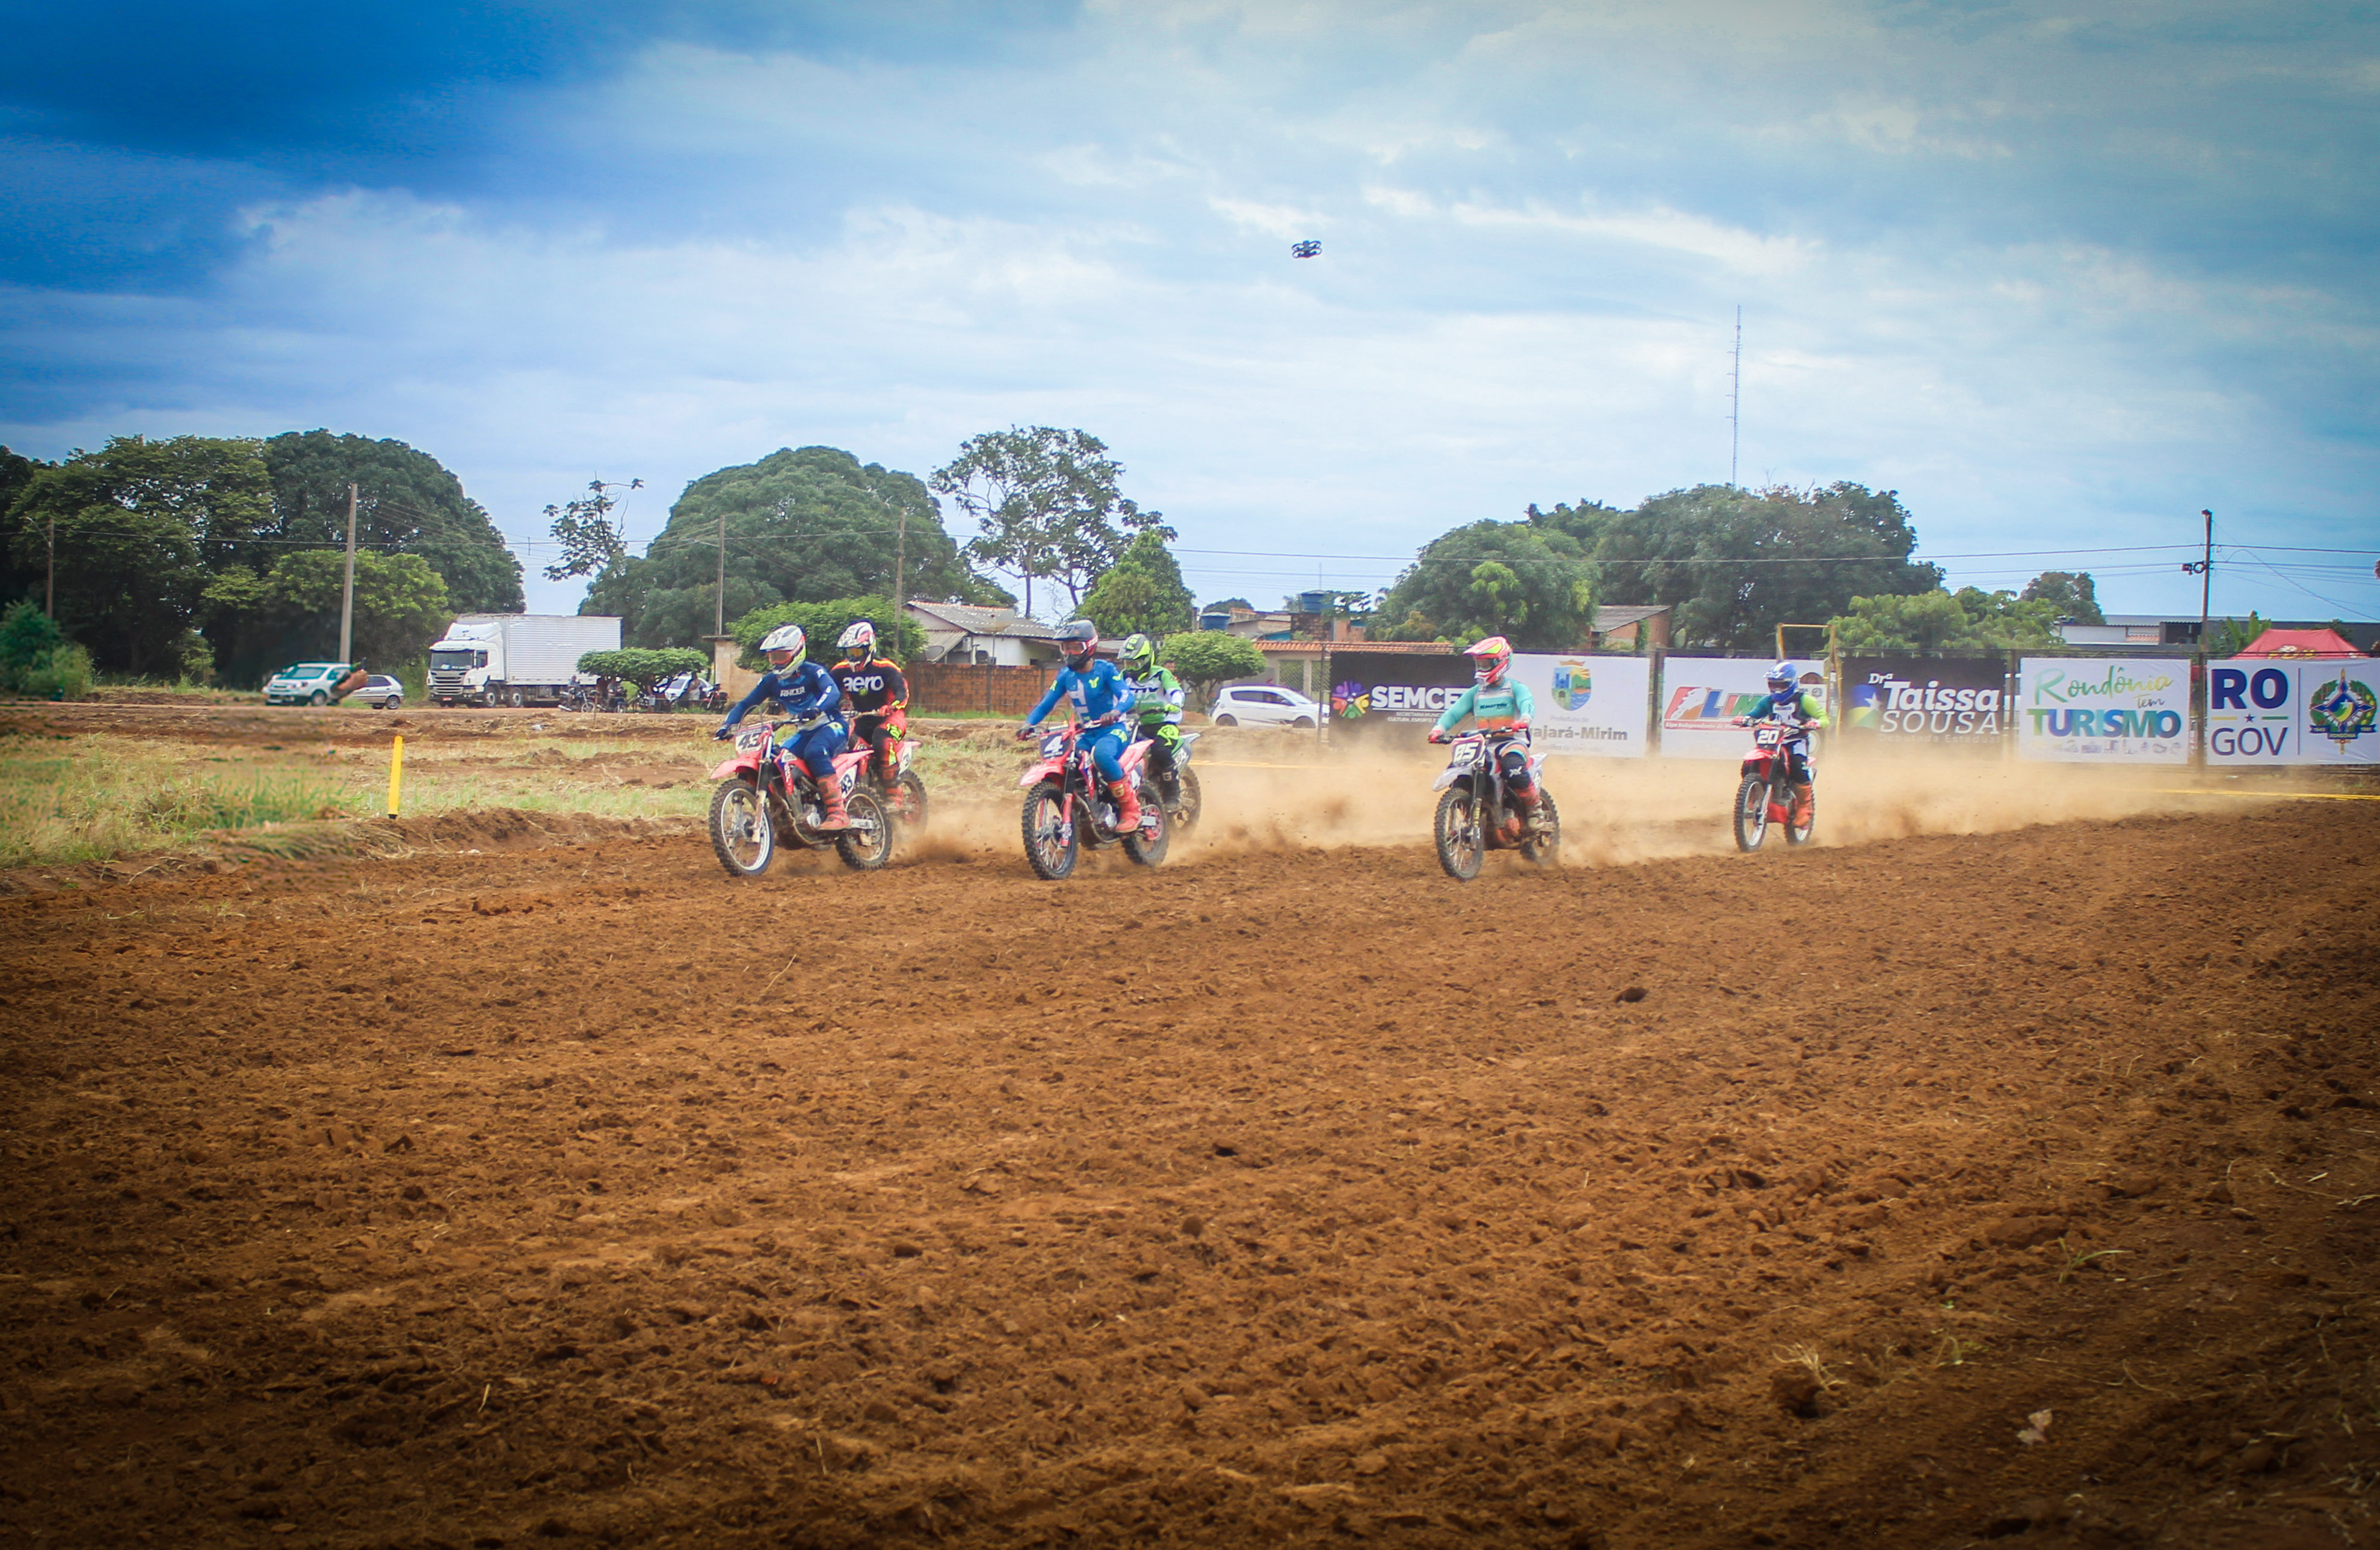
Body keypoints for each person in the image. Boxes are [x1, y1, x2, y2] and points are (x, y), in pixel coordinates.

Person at [715, 624, 850, 829]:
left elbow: (832, 693)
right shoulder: (771, 681)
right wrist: (728, 725)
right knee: (779, 759)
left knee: (815, 752)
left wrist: (816, 709)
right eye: (773, 657)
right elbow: (745, 704)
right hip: (803, 731)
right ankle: (790, 811)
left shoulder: (814, 672)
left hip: (831, 726)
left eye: (781, 656)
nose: (777, 662)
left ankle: (837, 812)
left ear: (797, 652)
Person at [1017, 620, 1147, 833]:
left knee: (1103, 756)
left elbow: (1126, 695)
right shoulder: (1065, 676)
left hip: (1112, 730)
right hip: (1084, 733)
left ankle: (1131, 809)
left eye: (1075, 647)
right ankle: (1084, 804)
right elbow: (1046, 704)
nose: (1069, 653)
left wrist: (1116, 712)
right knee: (1068, 761)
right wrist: (1028, 724)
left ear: (1090, 647)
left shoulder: (1106, 670)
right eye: (1065, 648)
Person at [1425, 635, 1544, 827]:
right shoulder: (1475, 692)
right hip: (1482, 744)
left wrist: (1524, 720)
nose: (1481, 669)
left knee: (1512, 769)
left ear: (1501, 663)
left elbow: (1527, 704)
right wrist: (1438, 730)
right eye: (1479, 664)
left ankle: (1534, 809)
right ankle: (1469, 813)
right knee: (1460, 773)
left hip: (1511, 742)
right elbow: (1454, 713)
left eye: (1486, 664)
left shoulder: (1515, 688)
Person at [1737, 661, 1828, 826]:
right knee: (1749, 764)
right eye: (1774, 685)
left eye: (1782, 685)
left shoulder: (1805, 700)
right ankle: (1752, 795)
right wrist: (1746, 719)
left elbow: (1824, 718)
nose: (1777, 689)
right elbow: (1754, 714)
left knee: (1797, 766)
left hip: (1795, 740)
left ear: (1792, 683)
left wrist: (1816, 723)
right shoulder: (1768, 701)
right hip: (1771, 740)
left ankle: (1804, 807)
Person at [830, 620, 911, 798]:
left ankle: (893, 792)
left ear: (869, 648)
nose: (853, 657)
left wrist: (892, 707)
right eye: (849, 652)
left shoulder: (887, 669)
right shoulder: (840, 671)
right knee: (840, 741)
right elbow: (828, 692)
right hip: (860, 718)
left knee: (882, 739)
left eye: (857, 652)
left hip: (890, 718)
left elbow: (902, 692)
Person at [1115, 632, 1185, 804]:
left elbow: (1176, 691)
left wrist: (1175, 703)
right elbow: (1112, 697)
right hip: (1134, 726)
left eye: (1136, 663)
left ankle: (1172, 793)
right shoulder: (1124, 677)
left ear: (1147, 660)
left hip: (1163, 724)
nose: (1131, 667)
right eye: (1128, 663)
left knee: (1160, 751)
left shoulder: (1162, 675)